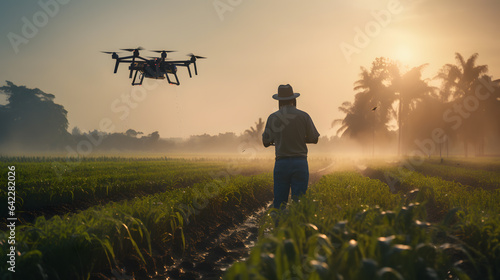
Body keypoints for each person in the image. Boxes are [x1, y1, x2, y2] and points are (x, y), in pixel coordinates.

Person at [262, 84, 320, 209]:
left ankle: (279, 227)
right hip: (300, 163)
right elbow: (314, 138)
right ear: (293, 99)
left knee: (279, 203)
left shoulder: (273, 118)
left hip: (281, 164)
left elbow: (266, 142)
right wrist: (302, 139)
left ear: (279, 101)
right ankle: (296, 227)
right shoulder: (304, 116)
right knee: (299, 203)